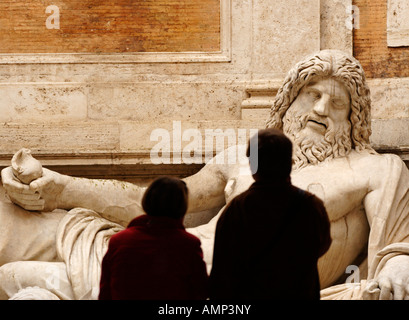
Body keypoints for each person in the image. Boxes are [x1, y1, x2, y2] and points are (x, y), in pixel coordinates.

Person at [1, 49, 409, 300]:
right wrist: (61, 188)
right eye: (312, 95)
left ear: (353, 119)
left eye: (337, 103)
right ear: (288, 104)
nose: (321, 109)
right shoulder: (241, 157)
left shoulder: (375, 170)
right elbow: (145, 204)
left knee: (25, 282)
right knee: (15, 272)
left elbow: (398, 245)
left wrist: (398, 264)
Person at [209, 129, 332, 299]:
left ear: (253, 166)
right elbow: (322, 245)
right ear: (289, 163)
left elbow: (222, 270)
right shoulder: (311, 206)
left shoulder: (237, 210)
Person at [99, 176, 208, 300]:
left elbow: (105, 293)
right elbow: (201, 292)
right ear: (182, 207)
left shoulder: (118, 241)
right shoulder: (189, 245)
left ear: (147, 201)